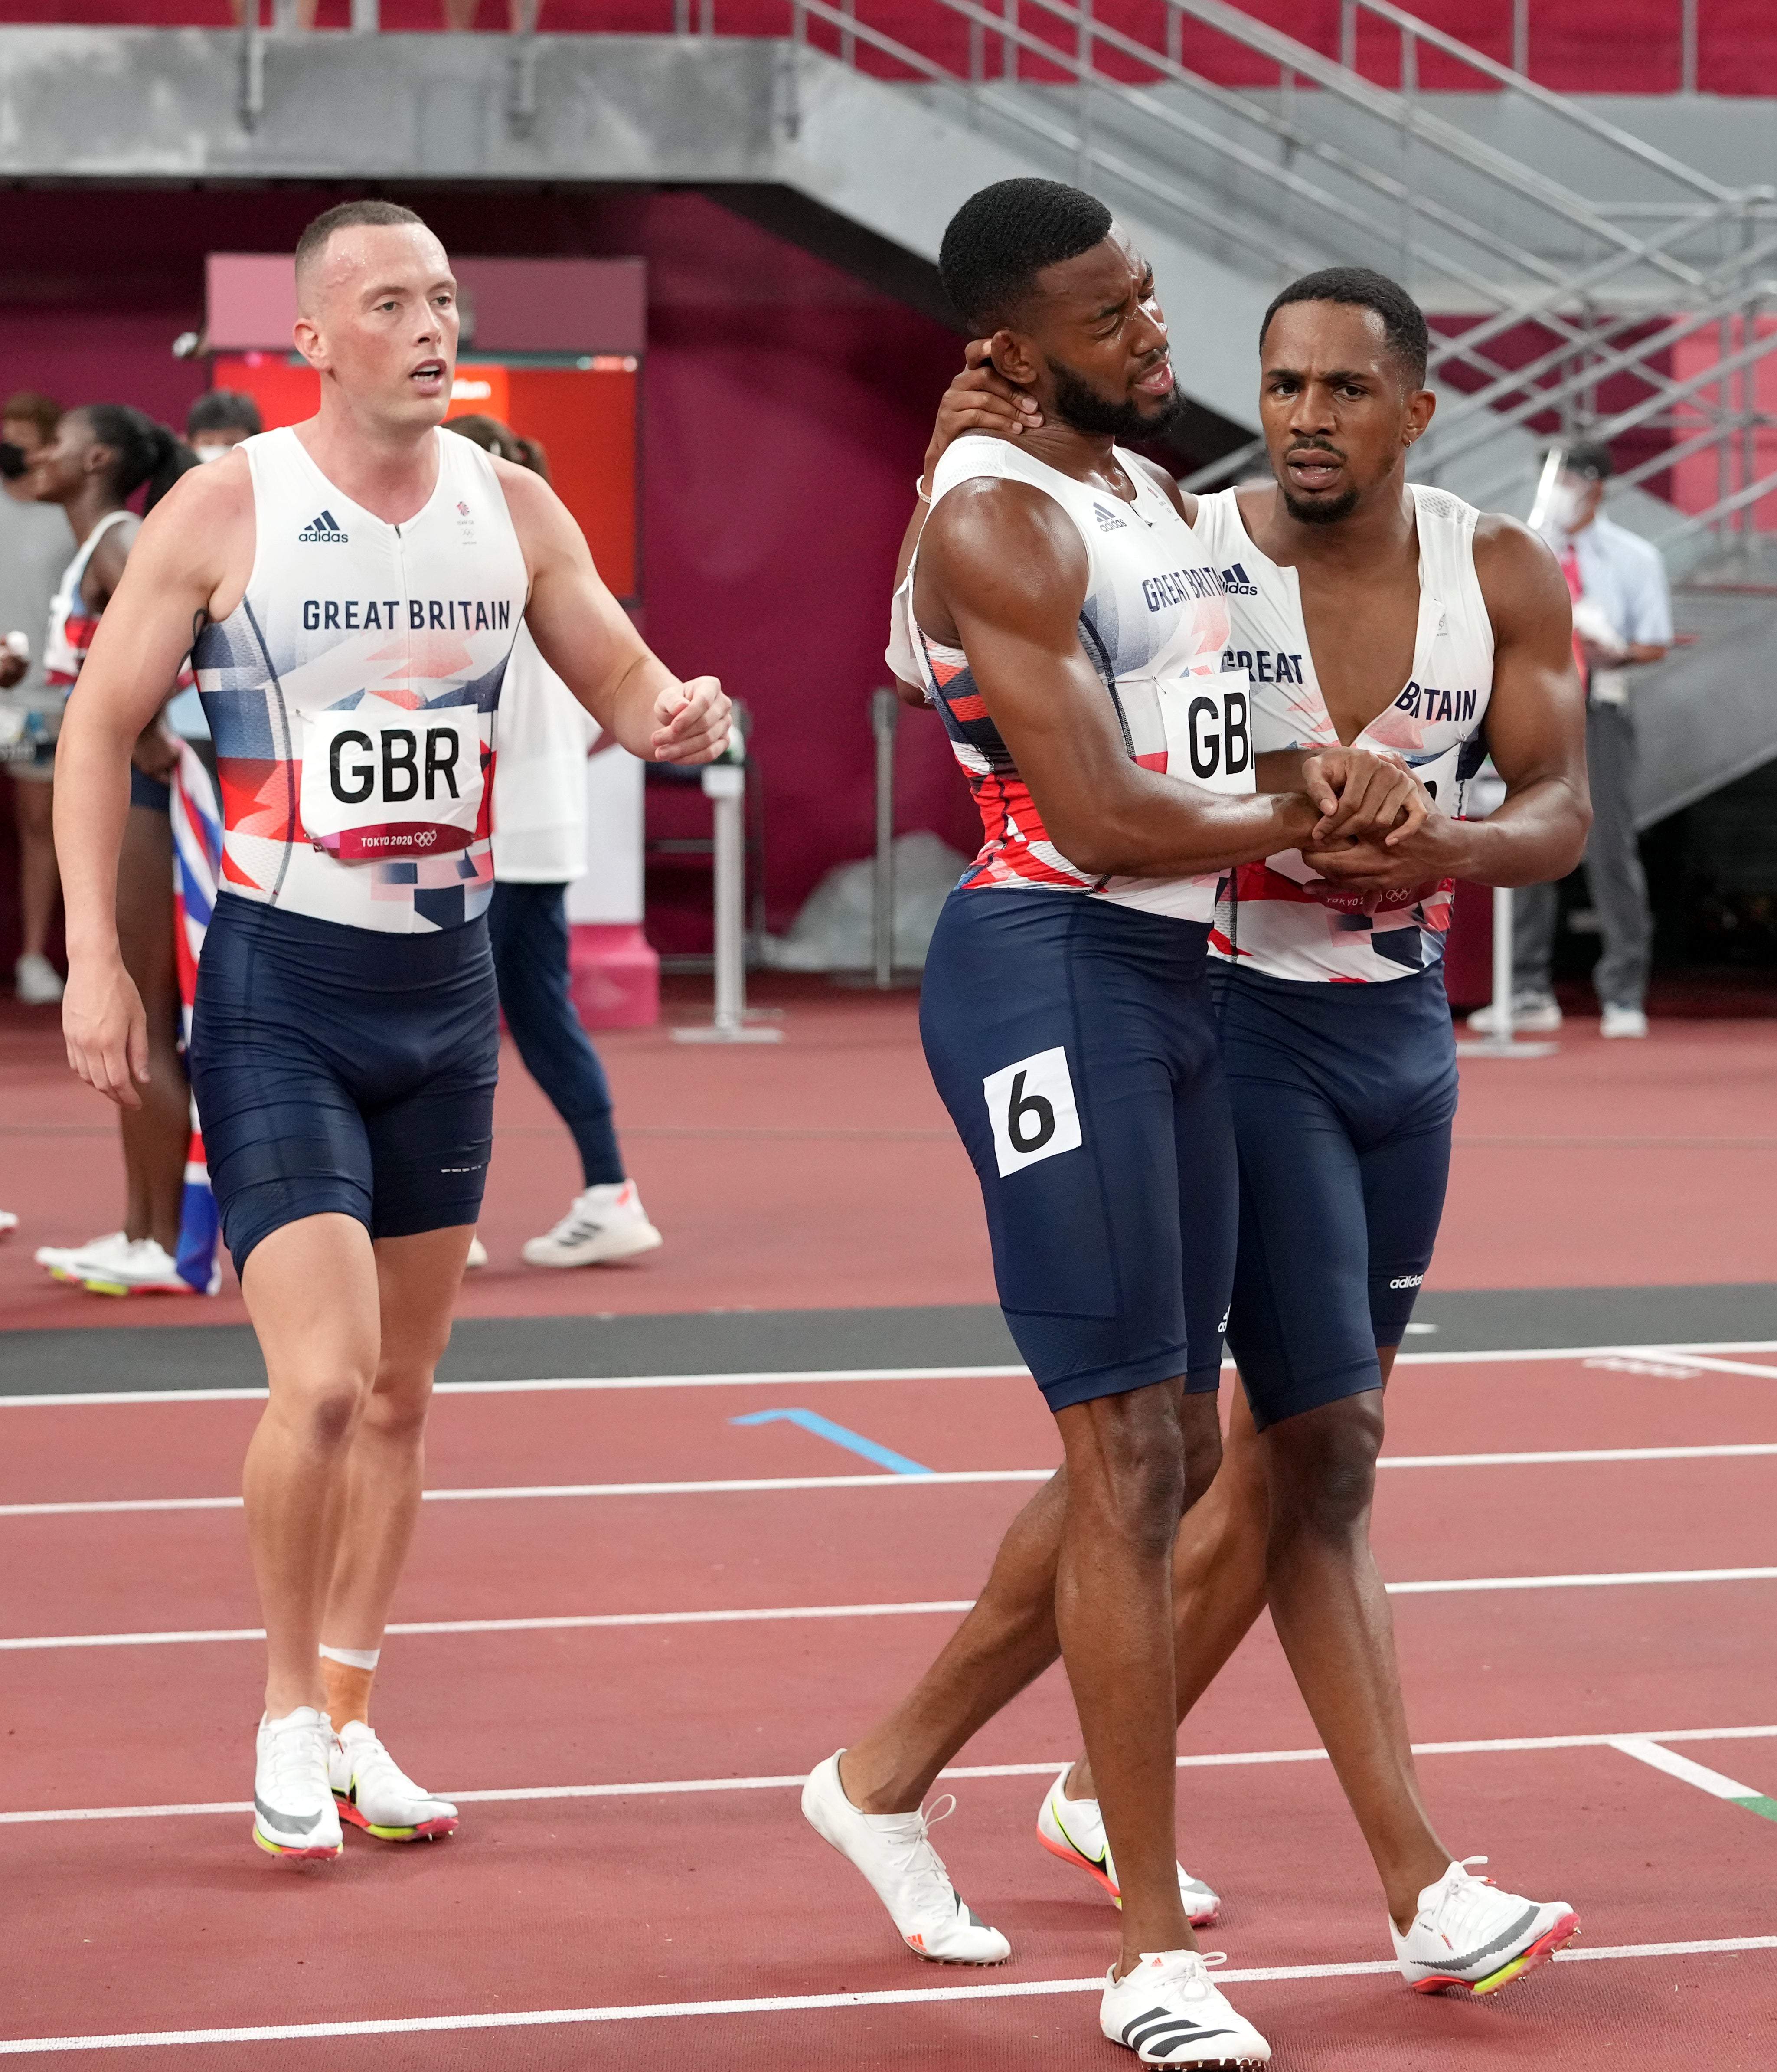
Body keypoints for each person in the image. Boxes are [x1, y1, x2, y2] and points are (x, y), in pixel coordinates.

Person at [848, 261, 1592, 2014]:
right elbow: (996, 688)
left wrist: (1447, 854)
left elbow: (1558, 810)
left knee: (1273, 1455)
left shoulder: (1493, 571)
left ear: (1417, 409)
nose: (1303, 417)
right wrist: (940, 484)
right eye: (1279, 386)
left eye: (1342, 389)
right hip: (1228, 1021)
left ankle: (940, 1771)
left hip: (1399, 1035)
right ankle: (1409, 1879)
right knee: (1260, 1451)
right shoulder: (1187, 538)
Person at [54, 200, 728, 1864]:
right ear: (312, 339)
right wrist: (96, 956)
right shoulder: (226, 507)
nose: (430, 326)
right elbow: (95, 730)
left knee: (411, 1391)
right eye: (389, 302)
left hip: (443, 996)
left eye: (444, 298)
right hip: (280, 992)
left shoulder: (513, 507)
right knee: (328, 1380)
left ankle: (353, 1716)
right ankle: (285, 1708)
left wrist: (672, 711)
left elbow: (620, 676)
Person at [444, 415, 661, 1271]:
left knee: (449, 1025)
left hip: (489, 836)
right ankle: (609, 1192)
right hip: (538, 829)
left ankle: (443, 1216)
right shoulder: (557, 558)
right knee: (536, 1017)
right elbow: (607, 705)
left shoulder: (475, 569)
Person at [20, 406, 200, 1296]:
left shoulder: (124, 541)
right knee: (134, 1025)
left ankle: (166, 1241)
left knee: (144, 1020)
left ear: (94, 459)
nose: (39, 456)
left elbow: (174, 648)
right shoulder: (94, 551)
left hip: (141, 799)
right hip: (117, 792)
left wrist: (147, 730)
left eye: (54, 443)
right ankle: (140, 1229)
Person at [1470, 439, 1672, 1040]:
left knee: (1609, 847)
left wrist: (1611, 646)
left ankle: (1623, 990)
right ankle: (1527, 986)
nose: (1555, 492)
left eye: (1565, 480)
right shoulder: (1524, 548)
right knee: (1527, 836)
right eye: (1548, 479)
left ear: (1594, 485)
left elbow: (1654, 641)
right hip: (1532, 702)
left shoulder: (1634, 558)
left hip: (1600, 704)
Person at [0, 390, 75, 1005]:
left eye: (22, 436)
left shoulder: (65, 517)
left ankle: (32, 957)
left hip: (38, 701)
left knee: (36, 824)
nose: (11, 445)